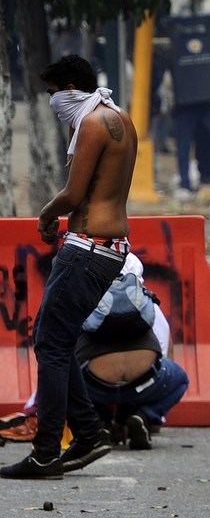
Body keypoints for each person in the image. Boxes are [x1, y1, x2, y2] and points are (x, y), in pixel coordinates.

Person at [3, 55, 137, 480]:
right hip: (106, 245)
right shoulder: (119, 119)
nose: (51, 101)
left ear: (70, 88)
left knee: (52, 343)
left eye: (51, 92)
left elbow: (74, 192)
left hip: (89, 247)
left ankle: (46, 452)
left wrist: (45, 215)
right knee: (53, 338)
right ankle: (88, 434)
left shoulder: (94, 124)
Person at [79, 253, 191, 450]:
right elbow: (161, 356)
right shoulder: (148, 305)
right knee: (179, 377)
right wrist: (123, 419)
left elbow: (60, 354)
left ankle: (99, 423)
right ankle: (144, 415)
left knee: (70, 376)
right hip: (142, 384)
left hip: (94, 387)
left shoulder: (81, 301)